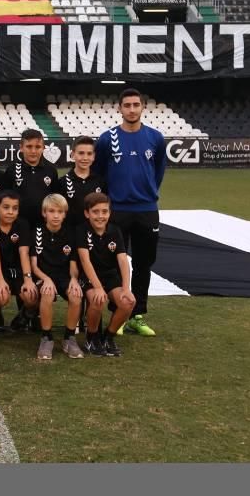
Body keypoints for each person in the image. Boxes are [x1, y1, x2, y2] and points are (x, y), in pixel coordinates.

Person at [94, 88, 167, 337]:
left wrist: (147, 193)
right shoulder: (107, 138)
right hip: (118, 212)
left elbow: (158, 172)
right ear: (120, 108)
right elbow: (100, 173)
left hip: (147, 210)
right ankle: (119, 313)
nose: (132, 109)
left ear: (142, 107)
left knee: (144, 264)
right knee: (115, 264)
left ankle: (137, 315)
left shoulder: (155, 138)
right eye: (127, 105)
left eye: (136, 104)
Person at [76, 193, 135, 357]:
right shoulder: (81, 230)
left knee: (128, 302)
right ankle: (92, 337)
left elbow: (123, 260)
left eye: (104, 211)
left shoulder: (115, 230)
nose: (100, 216)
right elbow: (85, 261)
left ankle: (108, 337)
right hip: (88, 276)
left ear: (109, 213)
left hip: (109, 275)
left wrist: (126, 288)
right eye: (95, 212)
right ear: (87, 213)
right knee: (97, 298)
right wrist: (98, 287)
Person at [30, 194, 85, 360]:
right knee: (47, 293)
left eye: (59, 211)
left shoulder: (71, 233)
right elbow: (33, 265)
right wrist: (45, 278)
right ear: (44, 213)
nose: (55, 215)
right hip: (43, 275)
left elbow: (74, 263)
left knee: (76, 296)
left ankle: (69, 338)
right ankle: (47, 337)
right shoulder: (36, 232)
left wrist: (74, 280)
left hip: (64, 276)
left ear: (65, 214)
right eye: (51, 211)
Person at [0, 190, 34, 340]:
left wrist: (28, 279)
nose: (10, 212)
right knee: (1, 296)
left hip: (19, 270)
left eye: (15, 208)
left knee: (31, 295)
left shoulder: (23, 225)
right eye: (6, 207)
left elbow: (23, 253)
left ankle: (24, 316)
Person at [4, 128, 59, 229]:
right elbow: (5, 198)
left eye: (37, 147)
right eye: (29, 146)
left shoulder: (51, 170)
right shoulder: (11, 170)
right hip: (17, 224)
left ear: (43, 148)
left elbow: (54, 199)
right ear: (21, 147)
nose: (33, 151)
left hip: (44, 225)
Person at [56, 136, 107, 229]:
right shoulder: (62, 182)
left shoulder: (101, 181)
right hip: (71, 234)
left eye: (89, 154)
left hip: (94, 234)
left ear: (94, 156)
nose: (85, 158)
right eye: (81, 153)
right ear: (72, 155)